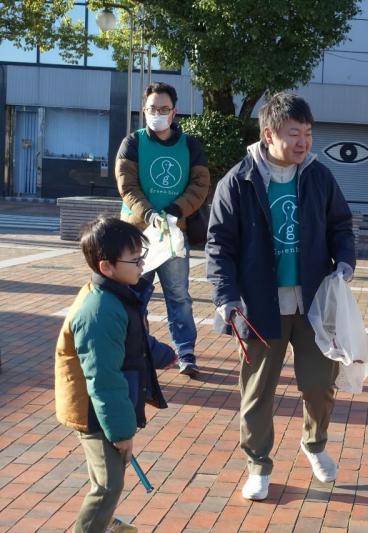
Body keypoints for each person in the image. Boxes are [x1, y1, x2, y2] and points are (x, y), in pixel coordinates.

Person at [206, 92, 355, 501]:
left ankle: (315, 443)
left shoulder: (319, 176)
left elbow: (341, 226)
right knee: (257, 392)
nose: (304, 141)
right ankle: (258, 465)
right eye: (294, 133)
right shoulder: (237, 181)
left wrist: (344, 262)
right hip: (259, 306)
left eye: (308, 133)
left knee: (320, 383)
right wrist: (226, 297)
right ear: (269, 133)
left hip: (312, 303)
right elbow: (219, 245)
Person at [54, 217, 174, 533]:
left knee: (112, 473)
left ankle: (103, 522)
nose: (142, 265)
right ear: (106, 267)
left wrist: (163, 355)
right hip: (94, 412)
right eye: (135, 260)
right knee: (108, 483)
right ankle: (94, 526)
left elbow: (134, 341)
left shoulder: (118, 296)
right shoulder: (99, 310)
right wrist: (121, 431)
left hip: (107, 410)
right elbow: (102, 379)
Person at [115, 81, 211, 377]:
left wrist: (174, 211)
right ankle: (134, 350)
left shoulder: (190, 145)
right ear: (144, 110)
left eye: (164, 109)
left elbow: (200, 185)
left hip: (173, 235)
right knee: (133, 297)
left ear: (174, 111)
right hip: (137, 236)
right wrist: (148, 213)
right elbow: (126, 185)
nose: (158, 113)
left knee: (178, 296)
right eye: (152, 108)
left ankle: (186, 353)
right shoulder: (132, 142)